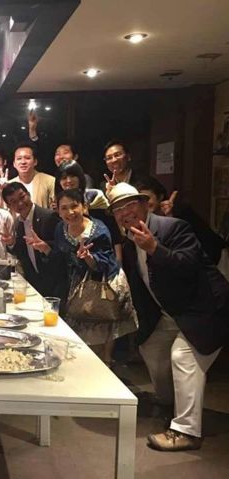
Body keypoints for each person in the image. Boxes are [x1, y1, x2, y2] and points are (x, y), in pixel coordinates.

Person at [108, 182, 229, 451]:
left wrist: (154, 248)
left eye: (130, 205)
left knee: (183, 356)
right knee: (150, 345)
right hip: (172, 313)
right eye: (118, 210)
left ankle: (186, 431)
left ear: (144, 205)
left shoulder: (172, 228)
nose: (125, 213)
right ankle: (169, 402)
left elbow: (189, 266)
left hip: (207, 310)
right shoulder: (130, 243)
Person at [26, 189, 138, 364]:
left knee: (102, 331)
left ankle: (106, 365)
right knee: (82, 341)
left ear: (84, 207)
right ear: (58, 211)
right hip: (76, 285)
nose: (70, 212)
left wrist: (89, 258)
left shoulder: (98, 230)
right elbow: (60, 258)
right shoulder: (60, 228)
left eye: (74, 206)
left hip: (102, 285)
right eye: (64, 208)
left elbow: (106, 264)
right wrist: (45, 248)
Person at [133, 175, 226, 264]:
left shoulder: (180, 211)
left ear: (160, 196)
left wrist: (170, 217)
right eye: (139, 200)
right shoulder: (143, 220)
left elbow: (205, 245)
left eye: (147, 198)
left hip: (209, 259)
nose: (143, 203)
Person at [2, 182, 65, 299]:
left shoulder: (49, 216)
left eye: (22, 197)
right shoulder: (18, 224)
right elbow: (21, 254)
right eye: (13, 201)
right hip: (35, 285)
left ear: (29, 194)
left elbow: (63, 250)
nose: (20, 203)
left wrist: (46, 248)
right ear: (9, 206)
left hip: (56, 283)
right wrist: (11, 243)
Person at [54, 160, 123, 261]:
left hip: (103, 259)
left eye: (72, 176)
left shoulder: (95, 198)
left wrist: (119, 261)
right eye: (64, 178)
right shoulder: (57, 204)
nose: (68, 180)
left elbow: (113, 231)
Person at [0, 142, 55, 210]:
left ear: (35, 161)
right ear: (14, 164)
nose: (23, 162)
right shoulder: (9, 184)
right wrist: (0, 192)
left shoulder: (49, 181)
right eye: (19, 158)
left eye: (27, 158)